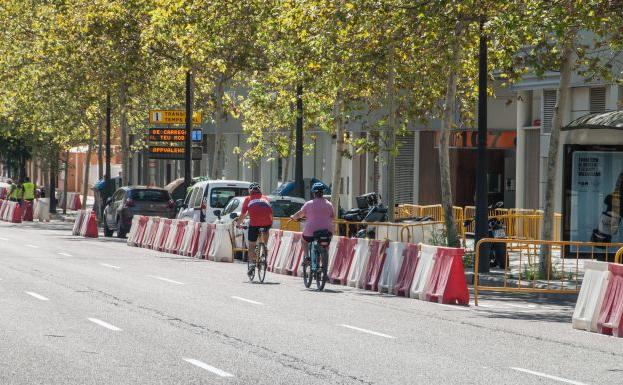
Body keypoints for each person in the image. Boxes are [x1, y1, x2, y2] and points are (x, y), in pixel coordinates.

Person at [290, 183, 335, 267]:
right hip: (327, 231)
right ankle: (324, 266)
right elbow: (333, 216)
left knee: (304, 241)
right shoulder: (329, 204)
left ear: (313, 193)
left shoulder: (309, 204)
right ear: (323, 193)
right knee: (325, 244)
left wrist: (293, 217)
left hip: (310, 231)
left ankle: (307, 257)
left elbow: (300, 214)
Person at [234, 183, 273, 276]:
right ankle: (265, 246)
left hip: (254, 224)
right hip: (267, 222)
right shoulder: (265, 198)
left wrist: (238, 224)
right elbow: (270, 213)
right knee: (266, 229)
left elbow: (243, 214)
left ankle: (251, 265)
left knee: (251, 245)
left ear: (250, 191)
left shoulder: (248, 199)